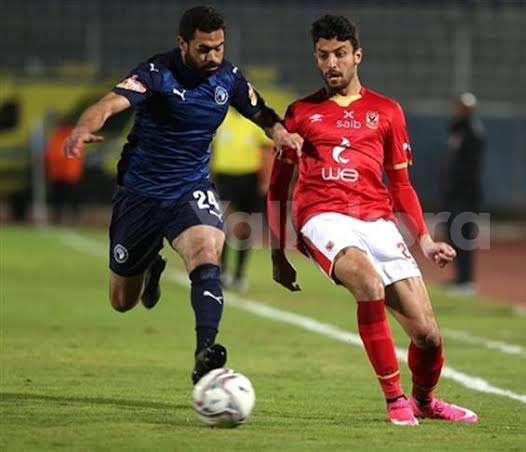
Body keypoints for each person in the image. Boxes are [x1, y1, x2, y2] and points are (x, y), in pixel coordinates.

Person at [62, 6, 302, 384]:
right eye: (204, 49)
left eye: (219, 47)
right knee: (122, 301)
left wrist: (281, 133)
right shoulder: (157, 73)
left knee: (207, 251)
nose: (213, 57)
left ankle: (205, 351)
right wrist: (80, 130)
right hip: (140, 193)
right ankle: (150, 267)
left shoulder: (229, 77)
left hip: (190, 188)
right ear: (183, 43)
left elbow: (261, 112)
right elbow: (109, 104)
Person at [267, 15, 478, 426]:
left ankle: (424, 400)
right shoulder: (299, 114)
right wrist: (278, 251)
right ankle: (394, 398)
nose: (332, 63)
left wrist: (424, 240)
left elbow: (401, 184)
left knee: (428, 335)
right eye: (323, 55)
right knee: (367, 282)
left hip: (376, 219)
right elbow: (277, 188)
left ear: (357, 55)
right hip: (321, 216)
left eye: (340, 54)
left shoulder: (386, 111)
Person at [211, 110, 273, 291]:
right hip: (224, 177)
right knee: (224, 223)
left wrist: (266, 180)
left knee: (246, 227)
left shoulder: (256, 118)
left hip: (250, 178)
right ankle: (221, 272)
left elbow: (267, 150)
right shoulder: (219, 115)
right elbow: (208, 147)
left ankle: (239, 275)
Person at [440, 92, 485, 295]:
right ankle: (460, 278)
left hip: (466, 194)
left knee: (463, 235)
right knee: (452, 233)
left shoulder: (473, 131)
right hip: (454, 194)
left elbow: (471, 167)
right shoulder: (457, 129)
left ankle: (467, 280)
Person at [45, 117, 84, 225]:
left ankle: (64, 218)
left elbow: (51, 154)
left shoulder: (59, 136)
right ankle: (69, 218)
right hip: (67, 173)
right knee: (67, 199)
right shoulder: (68, 135)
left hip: (62, 173)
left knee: (62, 199)